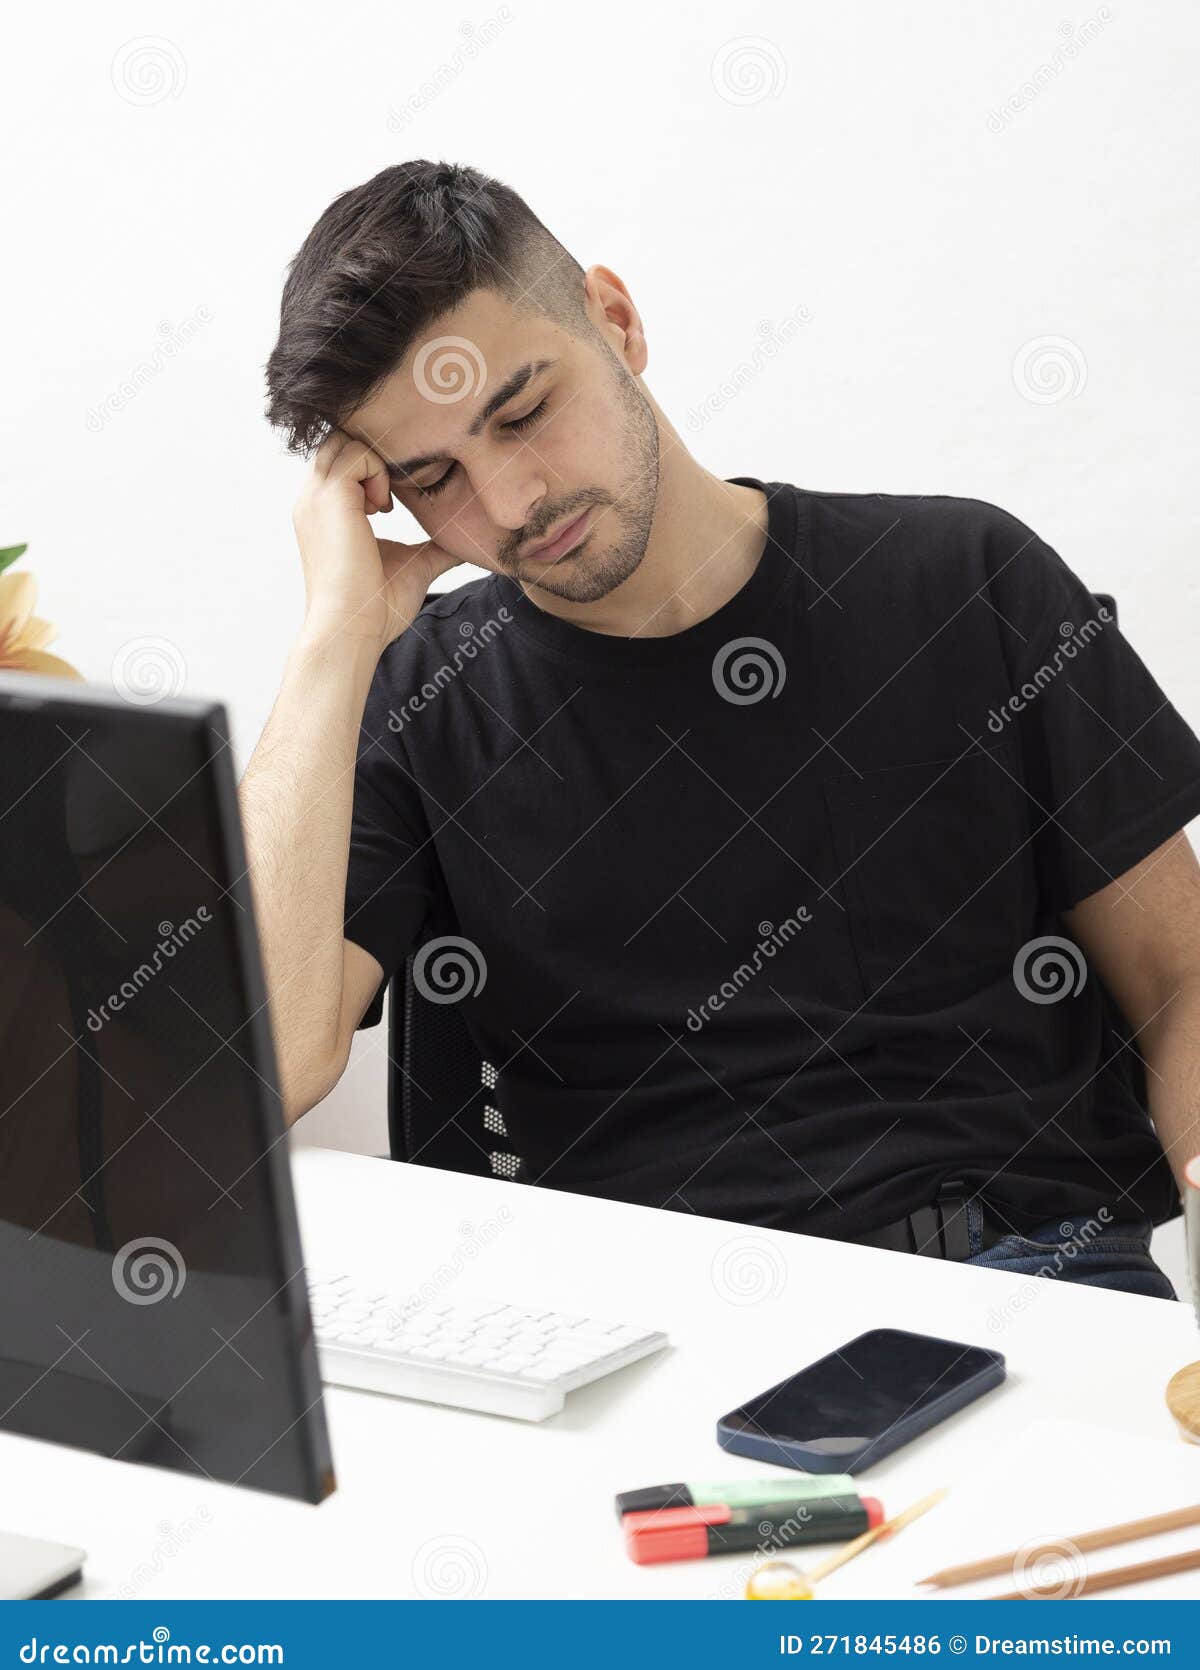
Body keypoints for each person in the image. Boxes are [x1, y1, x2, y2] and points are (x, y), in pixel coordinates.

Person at [245, 160, 1200, 1299]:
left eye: (524, 413)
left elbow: (1179, 973)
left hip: (1023, 1275)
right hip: (646, 1332)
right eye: (435, 476)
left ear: (616, 319)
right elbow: (267, 1062)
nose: (509, 504)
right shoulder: (416, 696)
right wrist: (333, 640)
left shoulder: (965, 581)